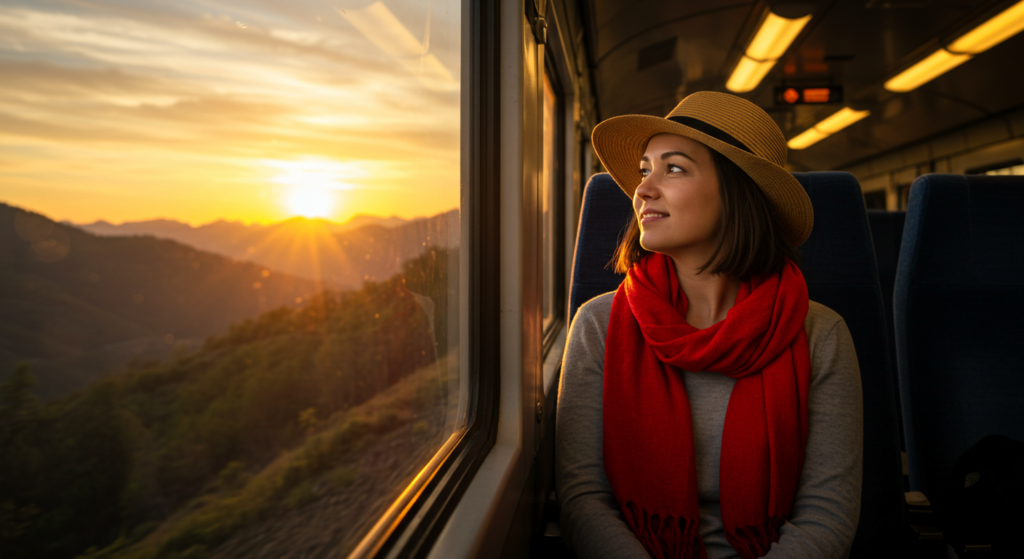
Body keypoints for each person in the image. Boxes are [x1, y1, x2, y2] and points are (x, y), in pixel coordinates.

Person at [555, 91, 863, 559]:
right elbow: (585, 504)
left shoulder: (819, 335)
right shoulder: (598, 326)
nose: (643, 189)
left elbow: (827, 515)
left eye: (672, 168)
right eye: (644, 170)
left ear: (738, 192)